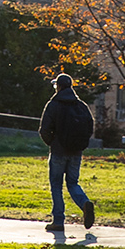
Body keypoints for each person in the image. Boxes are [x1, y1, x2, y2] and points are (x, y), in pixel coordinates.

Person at [38, 73, 96, 232]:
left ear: (59, 87)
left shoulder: (53, 104)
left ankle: (58, 221)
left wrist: (52, 142)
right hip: (76, 152)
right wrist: (81, 144)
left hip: (58, 152)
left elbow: (44, 130)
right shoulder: (81, 105)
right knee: (73, 183)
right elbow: (90, 126)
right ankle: (84, 203)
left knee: (56, 186)